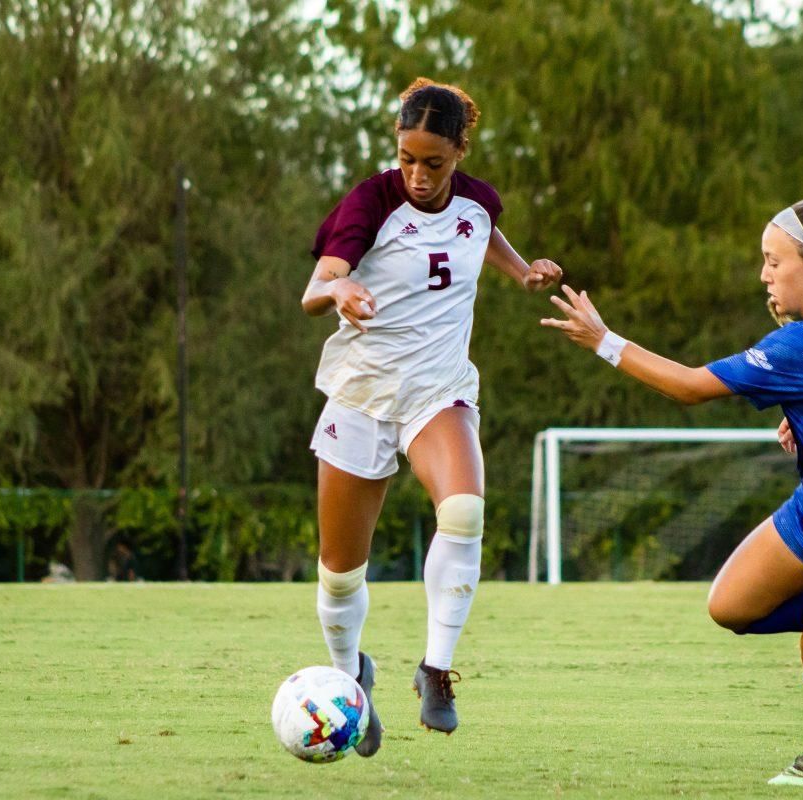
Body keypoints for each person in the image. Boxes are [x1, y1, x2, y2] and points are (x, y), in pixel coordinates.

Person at [541, 199, 803, 785]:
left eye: (773, 261)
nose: (764, 274)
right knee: (731, 608)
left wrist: (605, 341)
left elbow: (692, 387)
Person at [301, 77, 563, 755]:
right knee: (339, 575)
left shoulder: (479, 202)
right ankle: (348, 681)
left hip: (436, 392)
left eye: (434, 162)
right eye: (407, 157)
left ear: (460, 151)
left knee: (466, 510)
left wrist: (522, 274)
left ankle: (436, 670)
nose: (417, 175)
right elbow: (312, 289)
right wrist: (341, 288)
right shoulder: (371, 201)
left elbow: (483, 237)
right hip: (362, 395)